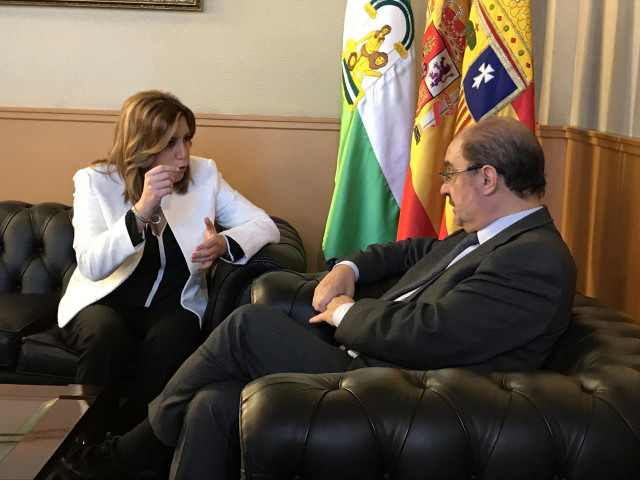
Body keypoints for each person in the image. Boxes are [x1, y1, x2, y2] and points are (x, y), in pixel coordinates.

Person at [62, 117, 576, 480]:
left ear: (488, 178)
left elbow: (431, 335)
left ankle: (131, 454)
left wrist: (346, 312)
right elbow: (409, 252)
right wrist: (349, 268)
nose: (442, 189)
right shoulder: (485, 235)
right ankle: (138, 456)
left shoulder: (533, 258)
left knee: (249, 326)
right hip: (377, 356)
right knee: (211, 403)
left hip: (409, 386)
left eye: (449, 173)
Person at [57, 90, 280, 437]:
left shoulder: (204, 175)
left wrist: (224, 242)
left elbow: (264, 224)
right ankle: (81, 446)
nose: (184, 155)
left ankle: (130, 448)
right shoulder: (95, 181)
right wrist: (141, 211)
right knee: (106, 336)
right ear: (141, 144)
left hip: (173, 302)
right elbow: (91, 264)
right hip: (105, 299)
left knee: (174, 339)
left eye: (187, 140)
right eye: (170, 142)